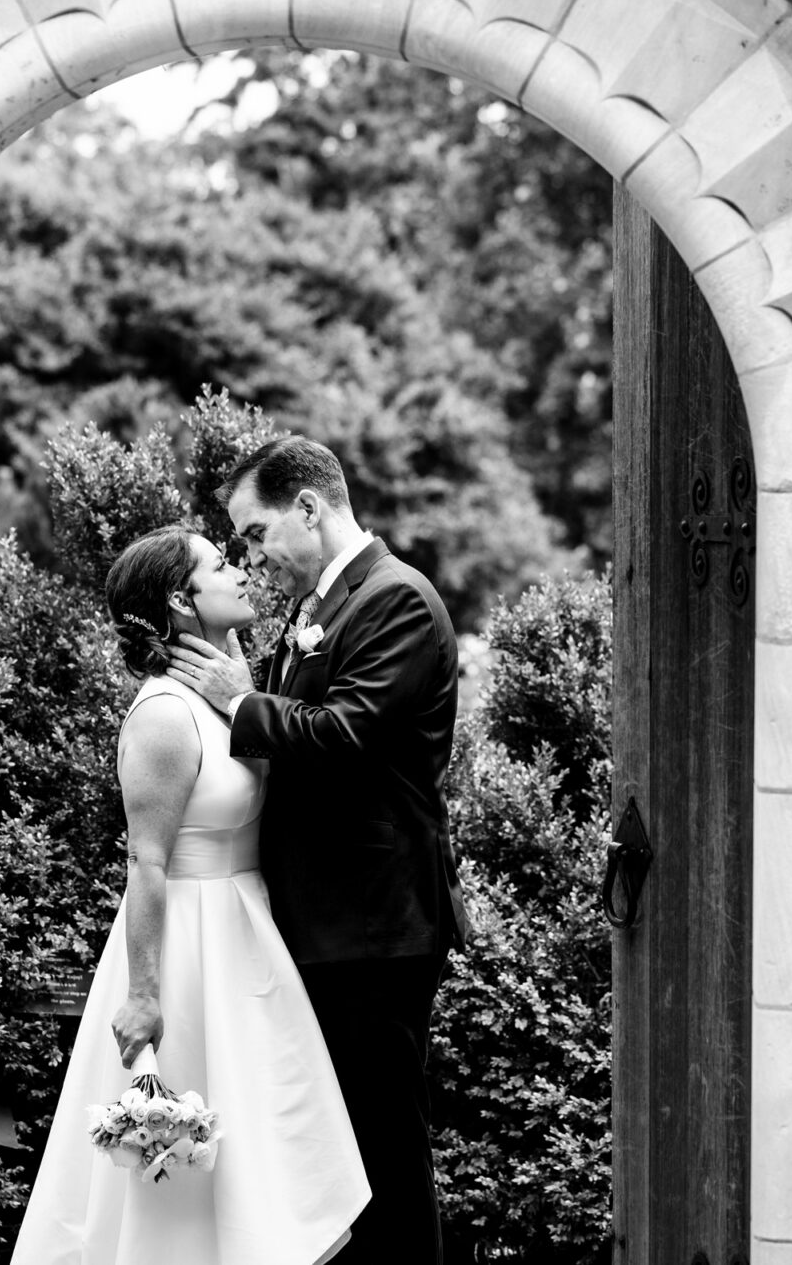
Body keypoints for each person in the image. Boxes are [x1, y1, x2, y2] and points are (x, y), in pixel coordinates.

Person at [11, 525, 369, 1265]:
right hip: (188, 951)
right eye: (220, 565)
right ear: (180, 599)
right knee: (180, 1166)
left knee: (265, 1145)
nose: (240, 571)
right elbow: (147, 862)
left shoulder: (227, 693)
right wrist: (143, 995)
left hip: (247, 940)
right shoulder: (165, 714)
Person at [165, 436, 469, 1265]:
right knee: (335, 1162)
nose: (254, 555)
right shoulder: (320, 608)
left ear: (308, 507)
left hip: (375, 929)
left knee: (386, 1156)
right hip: (326, 925)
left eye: (258, 532)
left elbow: (347, 738)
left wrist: (240, 699)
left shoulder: (396, 600)